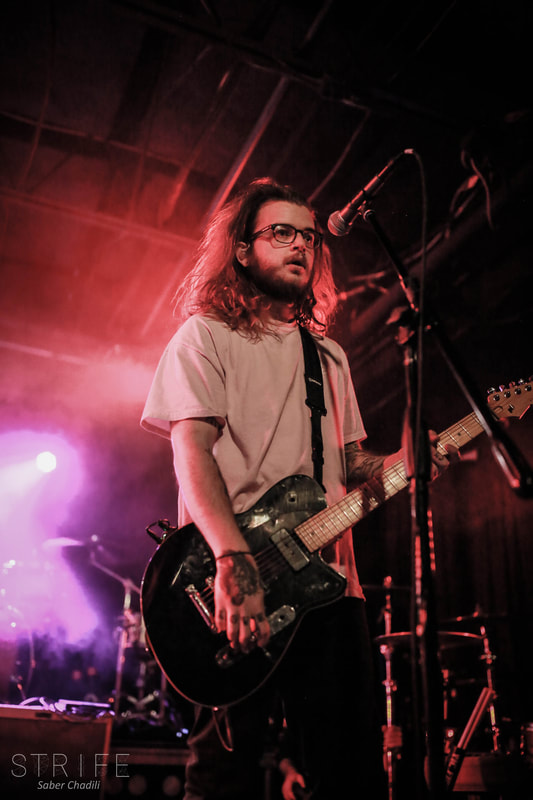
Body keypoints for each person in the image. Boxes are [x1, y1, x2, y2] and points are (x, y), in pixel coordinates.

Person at [141, 177, 453, 799]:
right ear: (242, 250)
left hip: (332, 590)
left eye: (309, 236)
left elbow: (350, 461)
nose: (301, 246)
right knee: (223, 780)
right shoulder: (205, 337)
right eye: (281, 232)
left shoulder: (328, 357)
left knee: (351, 777)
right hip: (236, 581)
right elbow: (191, 451)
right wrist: (232, 559)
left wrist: (403, 463)